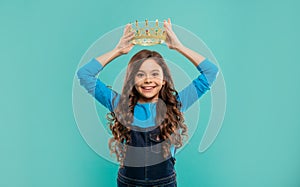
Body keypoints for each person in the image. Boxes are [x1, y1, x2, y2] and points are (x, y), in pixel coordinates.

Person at [77, 18, 219, 187]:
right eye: (140, 74)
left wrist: (178, 47)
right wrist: (118, 50)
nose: (148, 80)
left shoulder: (176, 104)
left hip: (165, 183)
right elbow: (85, 74)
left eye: (154, 74)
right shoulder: (120, 105)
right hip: (129, 183)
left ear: (164, 79)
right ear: (132, 79)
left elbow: (211, 72)